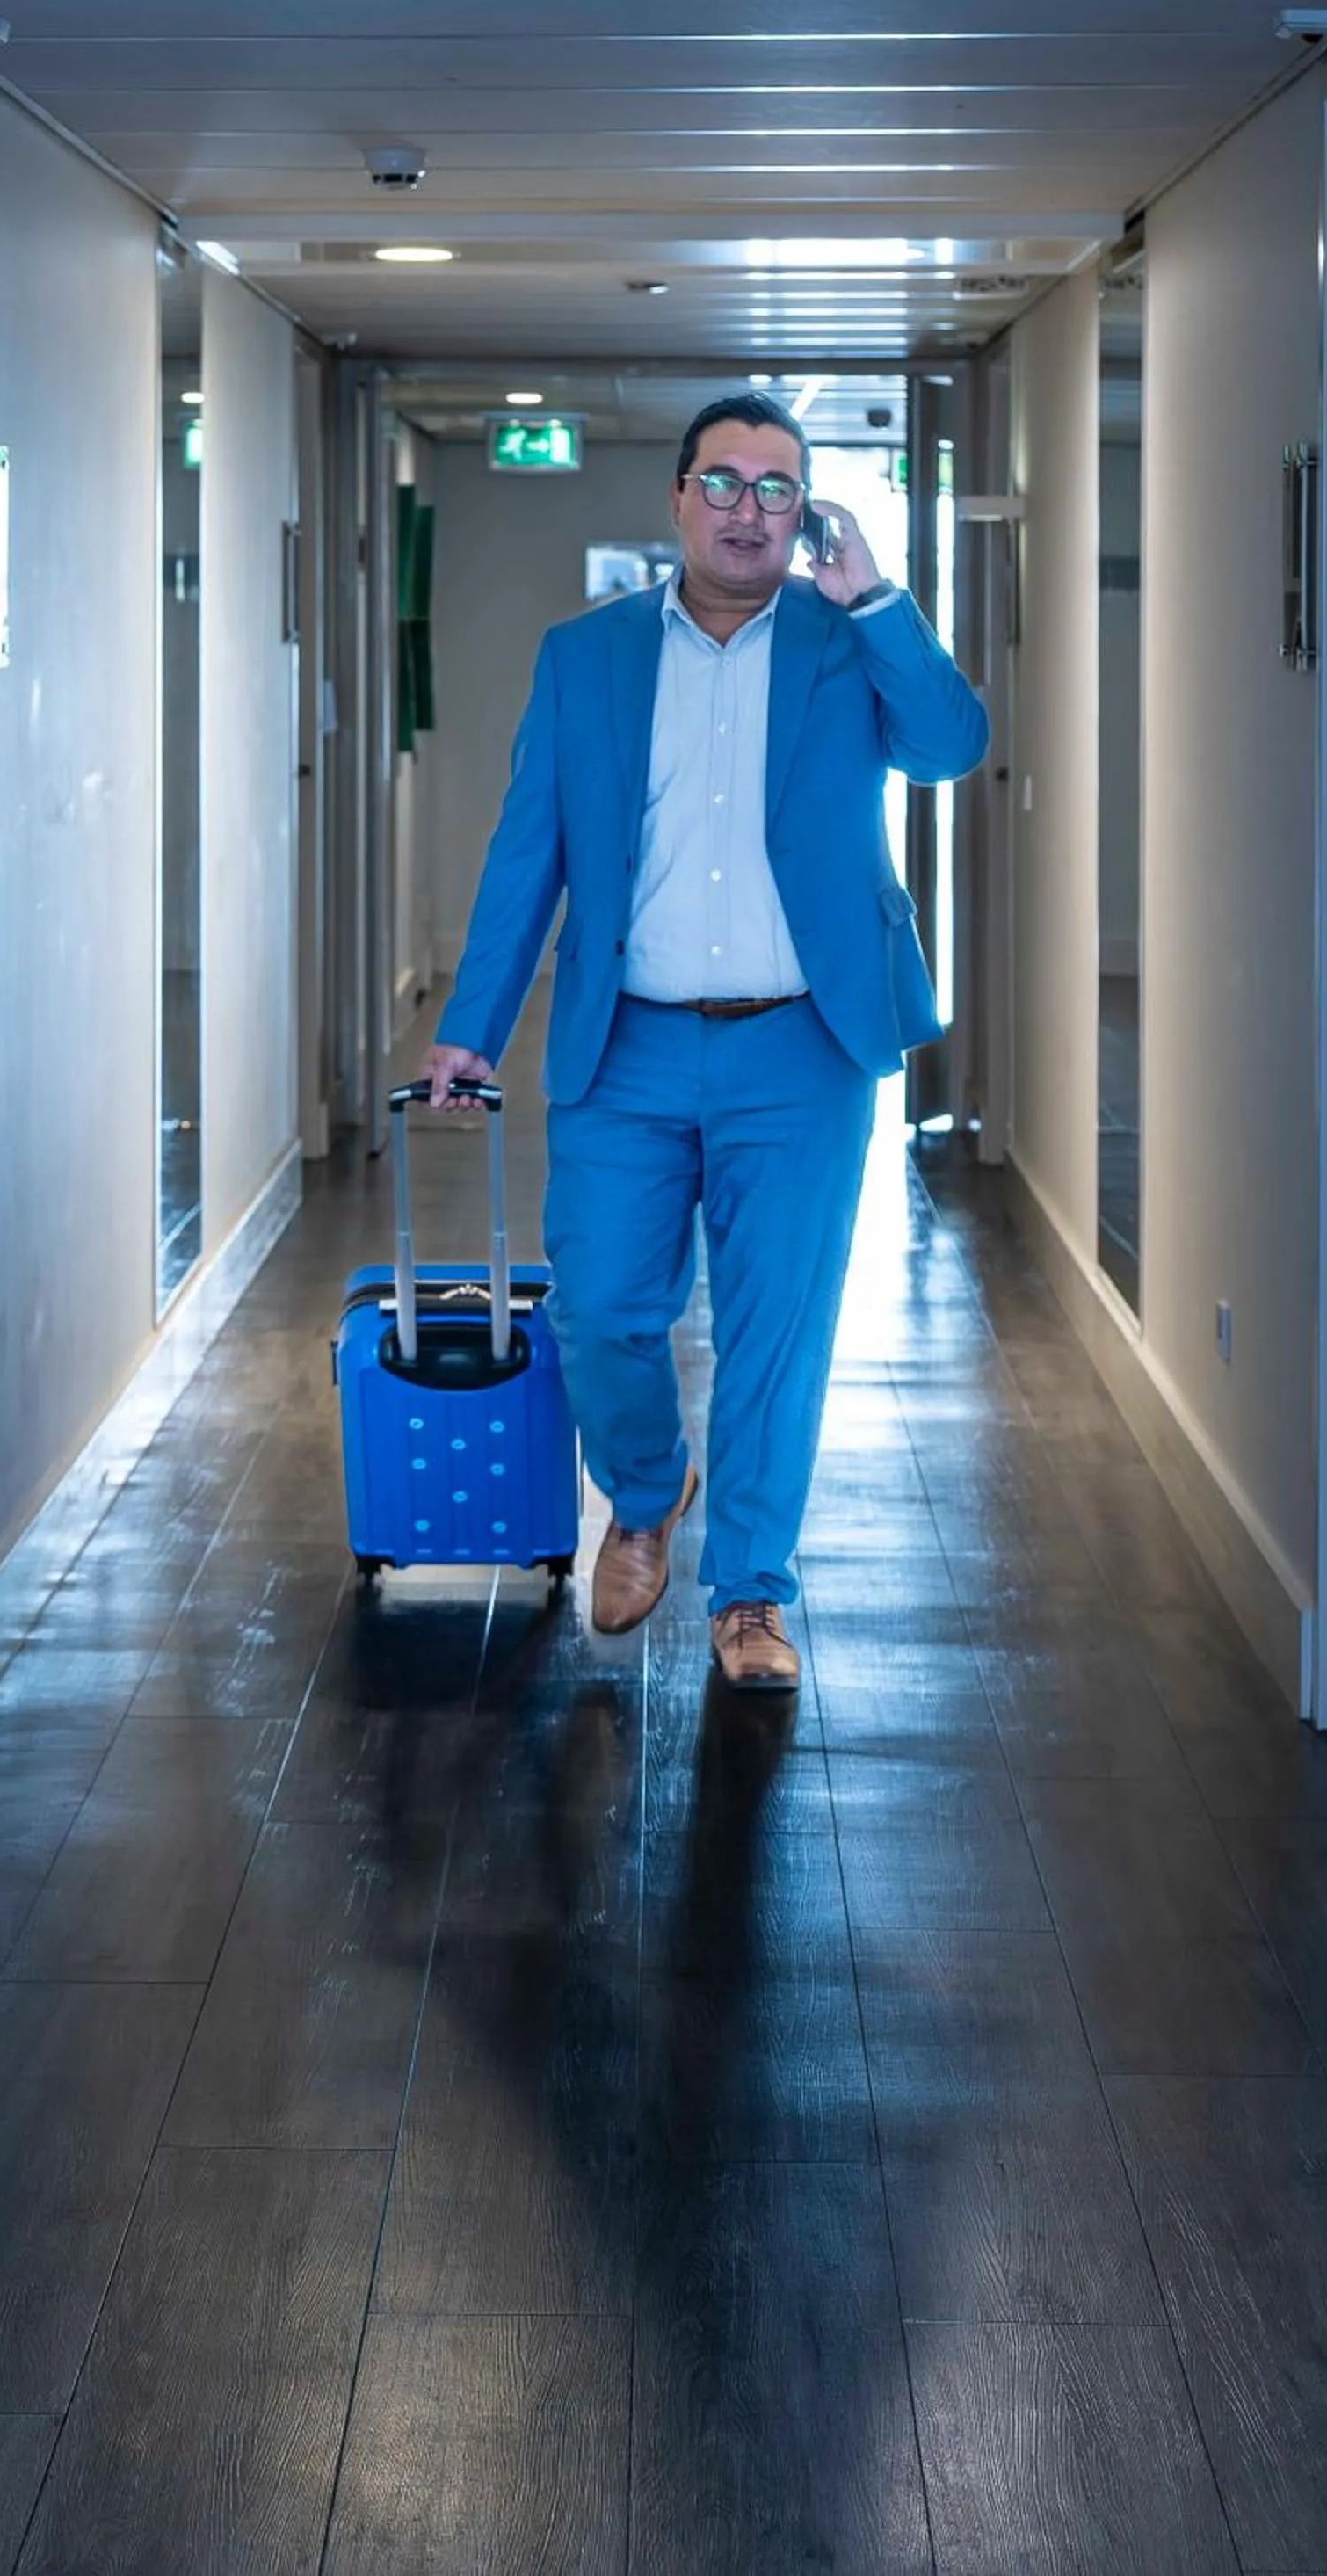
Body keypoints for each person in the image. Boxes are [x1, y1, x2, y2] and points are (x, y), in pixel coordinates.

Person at [418, 391, 988, 1688]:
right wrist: (471, 1030)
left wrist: (881, 601)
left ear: (808, 510)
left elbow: (954, 746)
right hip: (626, 1047)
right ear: (677, 498)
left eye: (775, 487)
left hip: (803, 1050)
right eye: (722, 483)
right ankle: (642, 1486)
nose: (748, 509)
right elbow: (530, 857)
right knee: (606, 1311)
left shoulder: (850, 647)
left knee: (776, 1330)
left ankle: (752, 1593)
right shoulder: (588, 656)